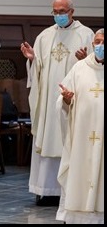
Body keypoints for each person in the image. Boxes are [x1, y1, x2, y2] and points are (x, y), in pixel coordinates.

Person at [20, 0, 94, 206]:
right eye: (55, 12)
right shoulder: (44, 36)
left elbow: (96, 65)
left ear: (72, 11)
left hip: (72, 100)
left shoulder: (85, 34)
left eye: (62, 11)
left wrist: (85, 61)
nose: (58, 15)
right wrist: (33, 60)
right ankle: (46, 190)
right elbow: (39, 71)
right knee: (48, 138)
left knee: (68, 140)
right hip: (47, 100)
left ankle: (69, 191)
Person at [55, 28, 104, 224]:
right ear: (93, 44)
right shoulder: (80, 68)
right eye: (98, 42)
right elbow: (62, 99)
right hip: (82, 137)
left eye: (104, 42)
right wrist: (66, 100)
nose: (100, 46)